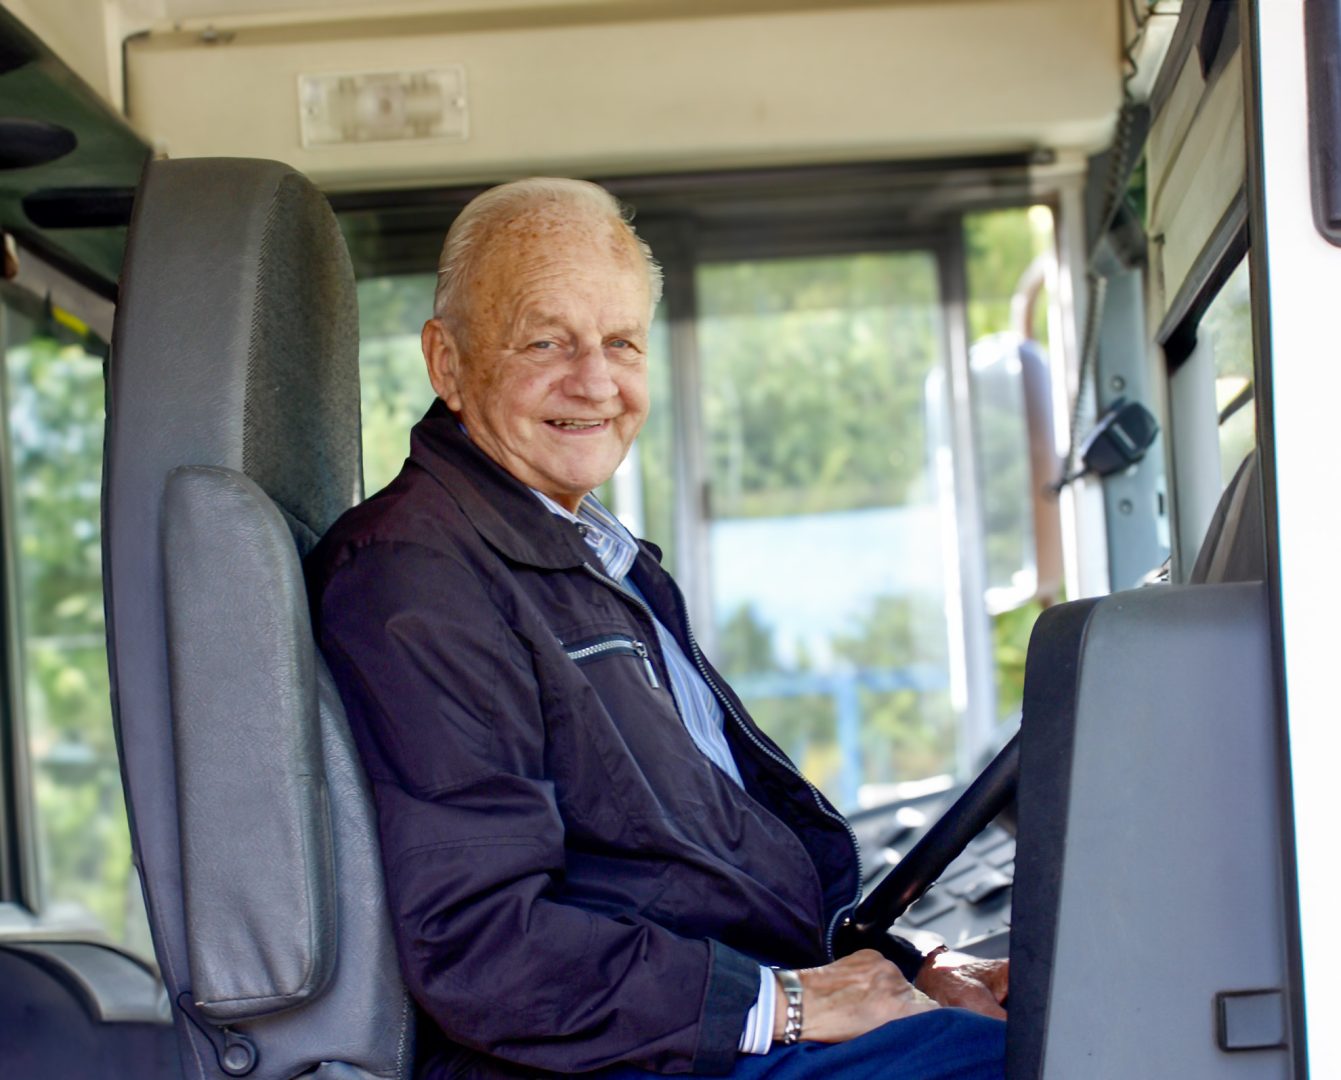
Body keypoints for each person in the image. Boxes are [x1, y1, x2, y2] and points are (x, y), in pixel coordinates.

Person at [306, 177, 1008, 1079]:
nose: (593, 381)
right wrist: (792, 1006)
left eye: (621, 342)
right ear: (447, 363)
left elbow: (675, 861)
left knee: (1056, 1009)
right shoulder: (417, 577)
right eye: (545, 340)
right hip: (616, 1058)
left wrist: (908, 973)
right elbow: (480, 945)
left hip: (694, 1017)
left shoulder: (587, 555)